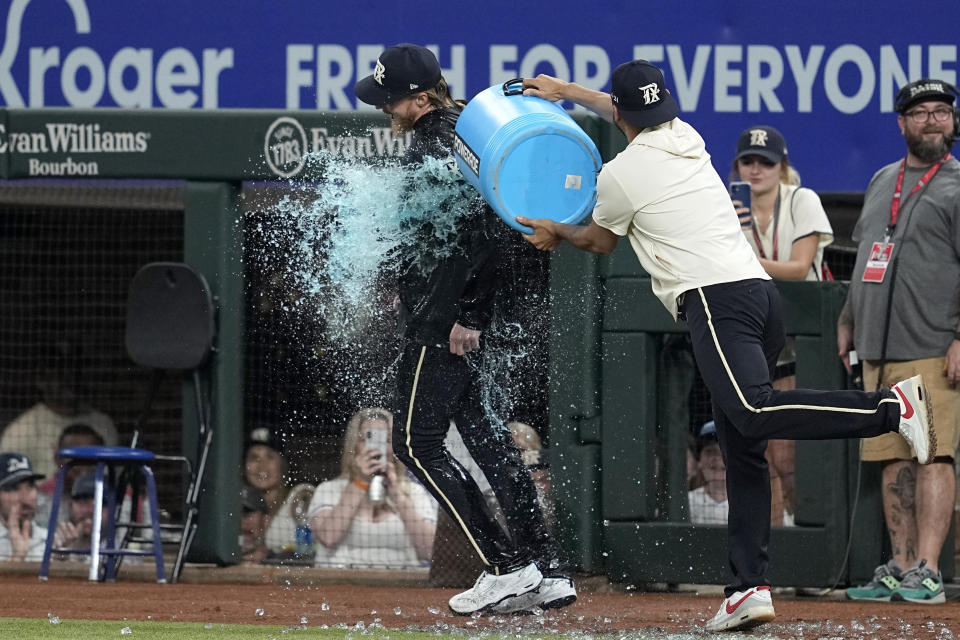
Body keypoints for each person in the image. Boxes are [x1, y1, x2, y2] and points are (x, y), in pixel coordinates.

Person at [518, 60, 935, 632]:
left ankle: (892, 407)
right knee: (743, 451)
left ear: (620, 113)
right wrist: (567, 92)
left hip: (715, 299)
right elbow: (620, 109)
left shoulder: (618, 175)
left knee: (753, 410)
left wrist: (555, 230)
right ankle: (748, 588)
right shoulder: (683, 133)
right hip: (760, 299)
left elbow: (599, 239)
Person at [353, 43, 575, 615]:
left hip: (444, 321)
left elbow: (485, 232)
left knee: (414, 443)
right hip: (451, 313)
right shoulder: (456, 132)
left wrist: (465, 316)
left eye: (391, 99)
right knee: (486, 438)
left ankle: (507, 566)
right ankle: (545, 569)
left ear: (421, 98)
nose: (385, 109)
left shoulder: (441, 140)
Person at [839, 78, 960, 605]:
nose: (933, 120)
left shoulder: (957, 185)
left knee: (933, 456)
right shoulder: (881, 179)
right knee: (893, 460)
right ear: (902, 123)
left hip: (934, 343)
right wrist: (848, 316)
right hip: (878, 349)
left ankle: (930, 568)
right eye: (921, 113)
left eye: (942, 112)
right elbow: (868, 252)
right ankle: (901, 565)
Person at [731, 125, 835, 522]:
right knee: (759, 456)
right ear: (737, 166)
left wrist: (740, 253)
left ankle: (806, 543)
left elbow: (799, 267)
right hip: (751, 338)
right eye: (748, 161)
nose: (756, 170)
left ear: (781, 166)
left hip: (802, 342)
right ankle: (772, 554)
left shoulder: (801, 199)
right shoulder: (726, 206)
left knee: (792, 456)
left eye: (765, 162)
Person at [307, 407, 437, 567]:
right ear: (354, 445)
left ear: (395, 447)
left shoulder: (415, 493)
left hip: (401, 586)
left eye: (386, 440)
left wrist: (398, 495)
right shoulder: (328, 490)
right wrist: (360, 482)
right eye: (367, 438)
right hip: (340, 584)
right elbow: (328, 537)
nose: (376, 448)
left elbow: (430, 551)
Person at [0, 343, 118, 478]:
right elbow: (8, 491)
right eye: (60, 372)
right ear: (41, 380)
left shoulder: (103, 424)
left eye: (74, 370)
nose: (70, 378)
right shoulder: (20, 431)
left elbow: (114, 480)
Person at [243, 427, 315, 558]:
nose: (261, 466)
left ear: (283, 465)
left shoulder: (299, 495)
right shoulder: (241, 505)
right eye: (254, 458)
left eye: (270, 457)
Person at [35, 423, 105, 527]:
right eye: (75, 459)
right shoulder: (42, 496)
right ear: (58, 459)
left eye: (90, 459)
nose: (83, 466)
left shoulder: (119, 495)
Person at [0, 452, 47, 561]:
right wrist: (18, 556)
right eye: (13, 489)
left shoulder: (50, 540)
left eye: (30, 487)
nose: (25, 499)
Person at [688, 421, 728, 525]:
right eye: (710, 451)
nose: (718, 459)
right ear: (699, 461)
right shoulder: (688, 502)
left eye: (725, 452)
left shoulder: (750, 503)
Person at [238, 484, 269, 563]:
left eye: (246, 514)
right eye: (235, 516)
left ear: (265, 521)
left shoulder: (284, 562)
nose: (241, 521)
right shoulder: (212, 564)